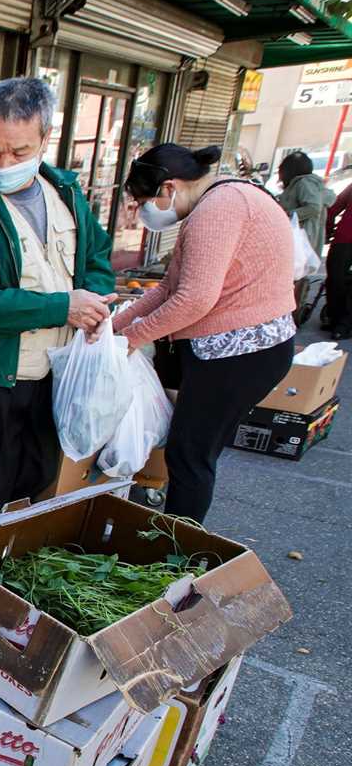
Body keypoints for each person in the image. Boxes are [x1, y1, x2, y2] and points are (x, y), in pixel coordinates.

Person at [0, 77, 117, 520]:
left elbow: (97, 256)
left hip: (56, 370)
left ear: (44, 139)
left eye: (19, 153)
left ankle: (10, 572)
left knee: (34, 482)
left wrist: (92, 301)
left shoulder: (66, 193)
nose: (3, 163)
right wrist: (61, 307)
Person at [116, 144, 296, 523]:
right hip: (242, 348)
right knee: (191, 448)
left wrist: (132, 339)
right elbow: (169, 287)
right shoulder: (222, 199)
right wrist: (115, 325)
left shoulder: (216, 212)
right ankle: (176, 544)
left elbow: (193, 300)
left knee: (190, 453)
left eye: (145, 201)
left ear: (169, 188)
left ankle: (177, 555)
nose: (144, 212)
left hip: (239, 353)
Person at [276, 151, 333, 254]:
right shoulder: (305, 184)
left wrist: (285, 215)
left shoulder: (305, 183)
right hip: (304, 241)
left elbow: (313, 208)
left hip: (302, 240)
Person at [325, 178, 352, 337]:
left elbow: (332, 208)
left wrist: (328, 231)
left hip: (343, 240)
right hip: (344, 239)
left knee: (335, 279)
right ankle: (343, 324)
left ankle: (336, 321)